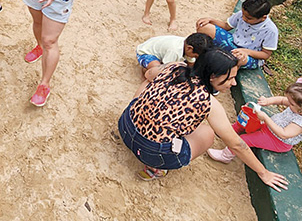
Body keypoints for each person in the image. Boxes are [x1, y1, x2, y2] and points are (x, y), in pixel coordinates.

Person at [117, 47, 288, 190]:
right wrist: (263, 172)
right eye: (230, 78)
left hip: (125, 126)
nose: (234, 83)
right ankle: (157, 168)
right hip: (152, 153)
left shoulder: (175, 67)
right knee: (207, 132)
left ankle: (136, 119)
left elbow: (149, 75)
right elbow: (237, 144)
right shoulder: (208, 102)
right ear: (212, 77)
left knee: (149, 83)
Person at [208, 82, 302, 163]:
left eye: (291, 104)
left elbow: (283, 134)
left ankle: (226, 156)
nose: (288, 104)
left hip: (277, 140)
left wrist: (265, 118)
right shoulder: (295, 104)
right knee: (246, 122)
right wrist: (268, 101)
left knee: (245, 139)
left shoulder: (299, 122)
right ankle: (227, 133)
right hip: (270, 126)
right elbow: (281, 100)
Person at [196, 0, 278, 69]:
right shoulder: (242, 15)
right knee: (205, 27)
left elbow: (265, 54)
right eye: (243, 15)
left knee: (238, 59)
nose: (243, 19)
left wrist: (246, 52)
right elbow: (226, 26)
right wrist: (211, 20)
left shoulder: (270, 30)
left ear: (263, 18)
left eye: (248, 18)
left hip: (248, 56)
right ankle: (199, 56)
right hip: (233, 42)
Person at [136, 32, 213, 81]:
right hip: (145, 53)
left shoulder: (188, 46)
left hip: (161, 53)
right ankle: (146, 71)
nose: (195, 58)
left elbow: (191, 64)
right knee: (159, 72)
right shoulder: (175, 51)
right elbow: (166, 68)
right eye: (195, 56)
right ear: (190, 48)